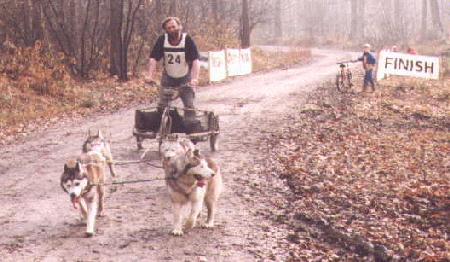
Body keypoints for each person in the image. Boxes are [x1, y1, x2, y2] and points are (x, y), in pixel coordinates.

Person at [146, 17, 200, 123]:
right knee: (162, 106)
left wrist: (195, 78)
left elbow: (196, 60)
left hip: (185, 77)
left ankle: (192, 127)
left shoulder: (187, 40)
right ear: (166, 30)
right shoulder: (162, 39)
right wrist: (150, 76)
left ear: (179, 27)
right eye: (169, 28)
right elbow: (153, 58)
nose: (172, 30)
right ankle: (164, 126)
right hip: (168, 78)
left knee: (189, 105)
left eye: (174, 26)